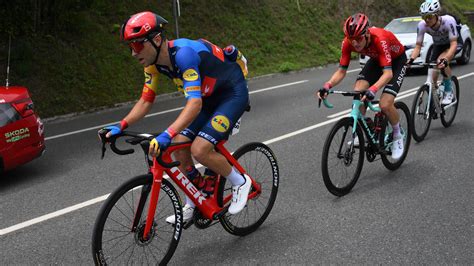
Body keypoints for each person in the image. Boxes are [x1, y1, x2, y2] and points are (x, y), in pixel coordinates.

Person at [101, 11, 251, 224]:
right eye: (130, 47)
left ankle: (240, 181)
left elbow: (194, 103)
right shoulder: (152, 65)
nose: (133, 53)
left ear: (156, 39)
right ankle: (196, 198)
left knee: (199, 149)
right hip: (208, 98)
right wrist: (121, 125)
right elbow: (145, 101)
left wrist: (166, 133)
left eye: (136, 45)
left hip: (231, 94)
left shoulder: (184, 55)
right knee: (179, 145)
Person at [317, 13, 407, 159]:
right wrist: (327, 85)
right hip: (377, 60)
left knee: (385, 104)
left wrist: (373, 89)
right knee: (358, 91)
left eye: (358, 39)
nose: (356, 44)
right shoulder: (348, 42)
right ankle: (364, 126)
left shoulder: (380, 38)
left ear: (367, 34)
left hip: (396, 62)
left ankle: (398, 134)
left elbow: (388, 74)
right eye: (352, 40)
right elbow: (341, 71)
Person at [408, 0, 458, 104]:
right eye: (424, 17)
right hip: (438, 45)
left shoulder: (448, 21)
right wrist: (411, 60)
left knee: (441, 61)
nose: (426, 20)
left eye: (429, 16)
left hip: (452, 43)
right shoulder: (422, 25)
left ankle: (449, 91)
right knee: (432, 77)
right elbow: (418, 47)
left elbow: (454, 44)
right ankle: (436, 96)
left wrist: (446, 59)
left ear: (437, 15)